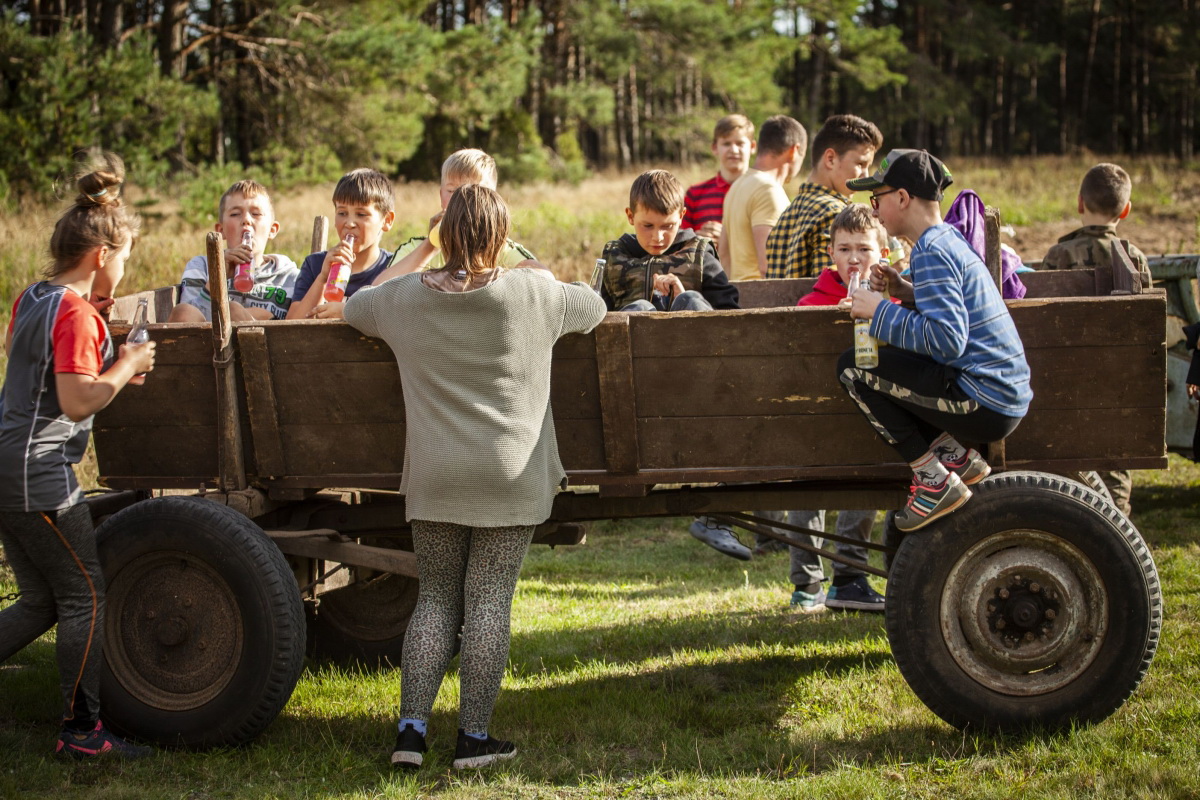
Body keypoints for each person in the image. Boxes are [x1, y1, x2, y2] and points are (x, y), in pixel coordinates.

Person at [343, 184, 606, 771]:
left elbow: (354, 305)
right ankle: (473, 739)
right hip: (509, 474)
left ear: (444, 235)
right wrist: (526, 263)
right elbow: (594, 307)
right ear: (501, 236)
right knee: (488, 600)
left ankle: (411, 735)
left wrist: (423, 252)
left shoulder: (403, 299)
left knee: (436, 599)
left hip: (437, 474)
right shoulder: (535, 293)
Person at [0, 152, 156, 759]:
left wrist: (106, 362)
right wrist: (126, 364)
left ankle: (78, 727)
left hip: (8, 463)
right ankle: (81, 733)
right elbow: (75, 399)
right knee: (84, 595)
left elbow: (39, 372)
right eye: (124, 258)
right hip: (38, 475)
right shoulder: (76, 313)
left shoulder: (33, 297)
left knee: (40, 599)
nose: (124, 269)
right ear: (100, 255)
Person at [841, 149, 1032, 531]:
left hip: (984, 398)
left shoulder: (931, 251)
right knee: (886, 365)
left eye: (876, 199)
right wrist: (905, 291)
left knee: (852, 368)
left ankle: (933, 480)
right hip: (1001, 391)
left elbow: (947, 340)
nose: (875, 211)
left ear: (902, 198)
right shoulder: (946, 240)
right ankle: (955, 459)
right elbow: (953, 311)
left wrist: (879, 310)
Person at [777, 204, 900, 612]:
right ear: (831, 253)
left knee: (868, 479)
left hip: (868, 418)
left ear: (883, 253)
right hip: (818, 419)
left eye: (864, 249)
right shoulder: (812, 302)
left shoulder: (892, 303)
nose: (854, 259)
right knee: (808, 488)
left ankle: (848, 577)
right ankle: (807, 583)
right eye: (844, 249)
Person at [1040, 162, 1152, 516]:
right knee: (1114, 463)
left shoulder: (1059, 255)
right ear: (1126, 209)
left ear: (1080, 202)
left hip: (1064, 383)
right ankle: (1117, 520)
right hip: (1117, 384)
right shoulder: (1135, 258)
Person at [371, 149, 542, 283]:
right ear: (441, 196)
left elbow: (544, 280)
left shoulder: (501, 249)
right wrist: (431, 245)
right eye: (452, 191)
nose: (462, 200)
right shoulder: (416, 247)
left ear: (493, 200)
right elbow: (378, 291)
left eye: (475, 191)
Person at [599, 169, 739, 312]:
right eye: (648, 226)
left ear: (681, 216)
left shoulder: (700, 256)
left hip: (691, 326)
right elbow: (598, 317)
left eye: (667, 226)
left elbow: (729, 314)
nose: (658, 237)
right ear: (630, 216)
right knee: (641, 308)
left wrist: (685, 301)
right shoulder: (615, 257)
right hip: (633, 326)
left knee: (689, 298)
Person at [765, 114, 882, 280]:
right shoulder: (836, 214)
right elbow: (832, 288)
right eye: (860, 164)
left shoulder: (787, 214)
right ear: (830, 159)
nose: (865, 175)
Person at [167, 179, 298, 322]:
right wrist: (217, 278)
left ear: (272, 230)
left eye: (256, 214)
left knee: (234, 310)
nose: (246, 220)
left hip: (266, 336)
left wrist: (246, 315)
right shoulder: (202, 267)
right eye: (235, 214)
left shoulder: (289, 277)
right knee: (184, 311)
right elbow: (188, 316)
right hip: (206, 335)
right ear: (221, 230)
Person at [287, 168, 396, 319]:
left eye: (361, 214)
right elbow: (291, 326)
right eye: (342, 213)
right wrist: (323, 278)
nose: (349, 223)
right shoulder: (315, 264)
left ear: (387, 220)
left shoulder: (394, 268)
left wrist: (348, 312)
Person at [718, 115, 807, 282]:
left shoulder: (738, 185)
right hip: (762, 295)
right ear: (794, 151)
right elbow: (769, 265)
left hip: (737, 293)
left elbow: (723, 255)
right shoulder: (768, 190)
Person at [681, 114, 756, 246]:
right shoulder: (695, 194)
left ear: (752, 147)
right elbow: (677, 243)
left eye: (740, 143)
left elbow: (769, 242)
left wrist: (728, 237)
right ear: (715, 148)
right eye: (726, 143)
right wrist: (696, 239)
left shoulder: (761, 191)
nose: (734, 150)